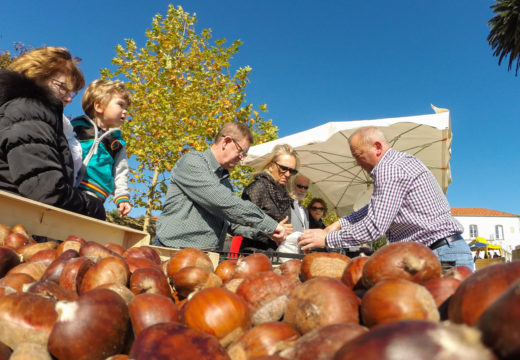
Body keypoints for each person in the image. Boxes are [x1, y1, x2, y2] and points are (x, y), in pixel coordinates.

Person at [298, 126, 474, 270]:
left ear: (377, 147)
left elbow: (374, 227)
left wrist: (327, 239)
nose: (358, 164)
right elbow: (377, 207)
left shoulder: (388, 168)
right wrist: (341, 223)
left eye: (358, 156)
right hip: (442, 252)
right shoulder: (399, 162)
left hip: (440, 255)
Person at [0, 46, 105, 219]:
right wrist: (95, 208)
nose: (70, 98)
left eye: (72, 92)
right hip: (15, 224)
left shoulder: (19, 111)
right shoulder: (29, 111)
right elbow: (46, 191)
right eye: (63, 87)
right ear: (37, 76)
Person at [155, 122, 287, 250]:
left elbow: (232, 224)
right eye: (241, 151)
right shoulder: (192, 162)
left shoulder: (224, 181)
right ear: (226, 142)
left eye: (244, 155)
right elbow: (223, 201)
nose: (241, 158)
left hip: (206, 255)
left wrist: (265, 233)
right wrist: (269, 223)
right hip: (173, 250)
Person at [71, 79, 132, 220]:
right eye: (121, 105)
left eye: (127, 108)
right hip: (70, 188)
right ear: (99, 106)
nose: (125, 111)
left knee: (88, 236)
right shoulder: (77, 127)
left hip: (96, 197)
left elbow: (121, 171)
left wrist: (122, 197)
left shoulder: (116, 142)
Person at [240, 144, 299, 251]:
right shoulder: (258, 187)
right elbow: (241, 224)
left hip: (277, 255)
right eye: (283, 168)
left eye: (292, 171)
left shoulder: (285, 194)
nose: (287, 174)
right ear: (271, 166)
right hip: (253, 256)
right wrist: (273, 229)